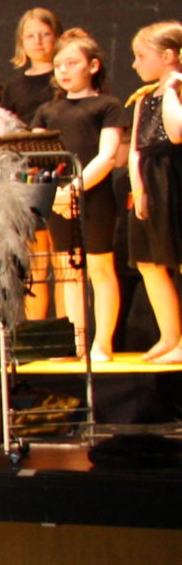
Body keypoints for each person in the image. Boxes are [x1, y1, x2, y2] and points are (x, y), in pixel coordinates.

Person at [35, 29, 129, 361]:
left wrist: (75, 188)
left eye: (72, 63)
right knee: (68, 272)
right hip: (59, 201)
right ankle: (73, 342)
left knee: (100, 269)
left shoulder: (107, 105)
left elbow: (108, 156)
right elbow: (38, 155)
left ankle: (102, 342)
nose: (63, 70)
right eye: (58, 64)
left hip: (94, 196)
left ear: (92, 65)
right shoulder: (48, 110)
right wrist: (55, 192)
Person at [126, 23, 182, 363]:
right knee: (149, 262)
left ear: (168, 55)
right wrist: (139, 189)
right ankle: (170, 335)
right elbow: (136, 148)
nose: (135, 64)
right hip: (150, 182)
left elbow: (176, 133)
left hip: (176, 177)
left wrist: (173, 88)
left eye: (141, 56)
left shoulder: (178, 91)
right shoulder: (143, 98)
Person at [2, 7, 62, 125]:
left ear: (57, 37)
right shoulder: (13, 87)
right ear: (21, 41)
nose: (37, 41)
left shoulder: (67, 77)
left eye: (45, 34)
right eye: (30, 36)